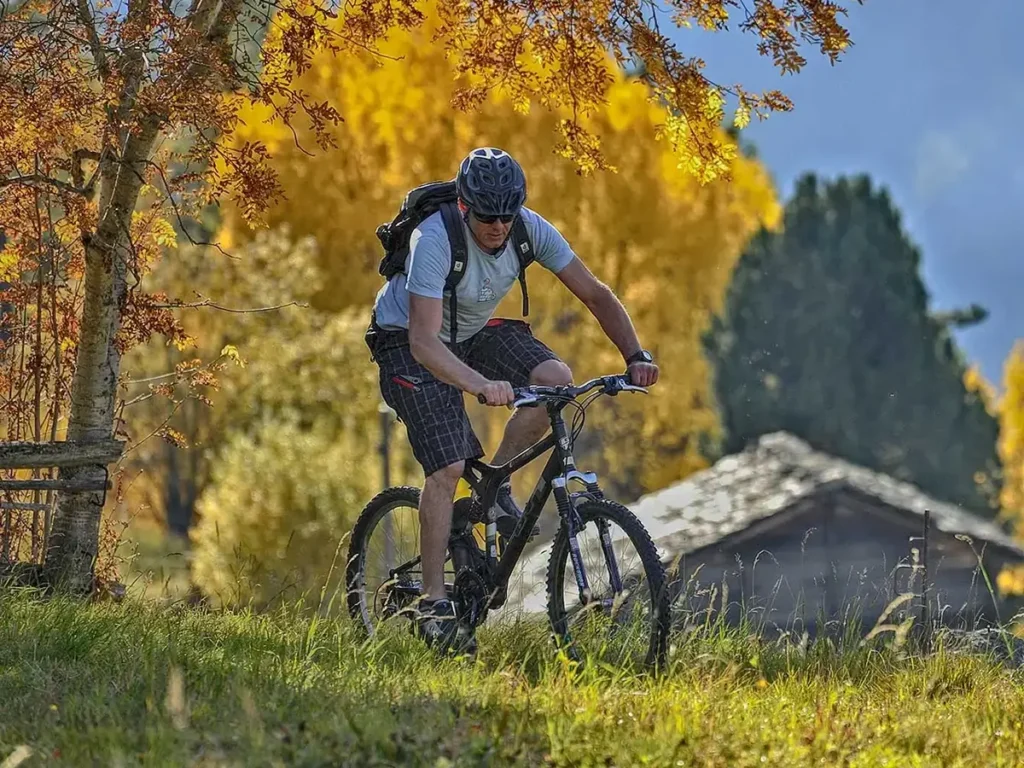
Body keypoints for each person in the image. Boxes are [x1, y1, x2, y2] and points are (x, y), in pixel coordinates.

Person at [368, 147, 659, 652]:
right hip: (407, 340)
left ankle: (492, 491)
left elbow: (594, 294)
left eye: (508, 213)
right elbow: (423, 341)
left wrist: (634, 353)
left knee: (555, 379)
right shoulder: (433, 238)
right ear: (465, 206)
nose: (499, 226)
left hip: (472, 330)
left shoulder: (529, 228)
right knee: (448, 466)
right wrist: (478, 385)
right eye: (488, 215)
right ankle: (435, 603)